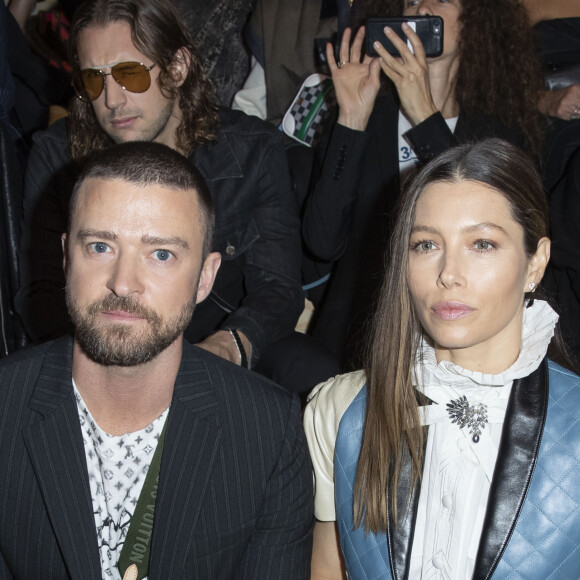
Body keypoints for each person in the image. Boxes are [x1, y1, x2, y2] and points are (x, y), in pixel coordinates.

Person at [0, 141, 314, 579]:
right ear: (67, 256)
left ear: (205, 277)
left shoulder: (267, 430)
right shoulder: (5, 410)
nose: (123, 283)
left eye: (160, 254)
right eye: (100, 247)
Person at [304, 139, 580, 579]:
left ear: (535, 263)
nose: (449, 273)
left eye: (483, 244)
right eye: (426, 245)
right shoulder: (340, 410)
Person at [15, 0, 304, 377]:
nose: (112, 100)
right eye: (93, 79)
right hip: (103, 353)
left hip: (213, 347)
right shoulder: (59, 158)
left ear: (177, 67)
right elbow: (40, 294)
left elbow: (278, 288)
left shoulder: (250, 152)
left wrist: (229, 345)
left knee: (306, 369)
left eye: (130, 74)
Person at [302, 0, 545, 368]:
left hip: (459, 338)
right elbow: (322, 240)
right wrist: (351, 118)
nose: (422, 7)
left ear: (475, 22)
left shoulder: (497, 134)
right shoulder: (368, 114)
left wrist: (425, 119)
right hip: (359, 341)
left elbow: (484, 225)